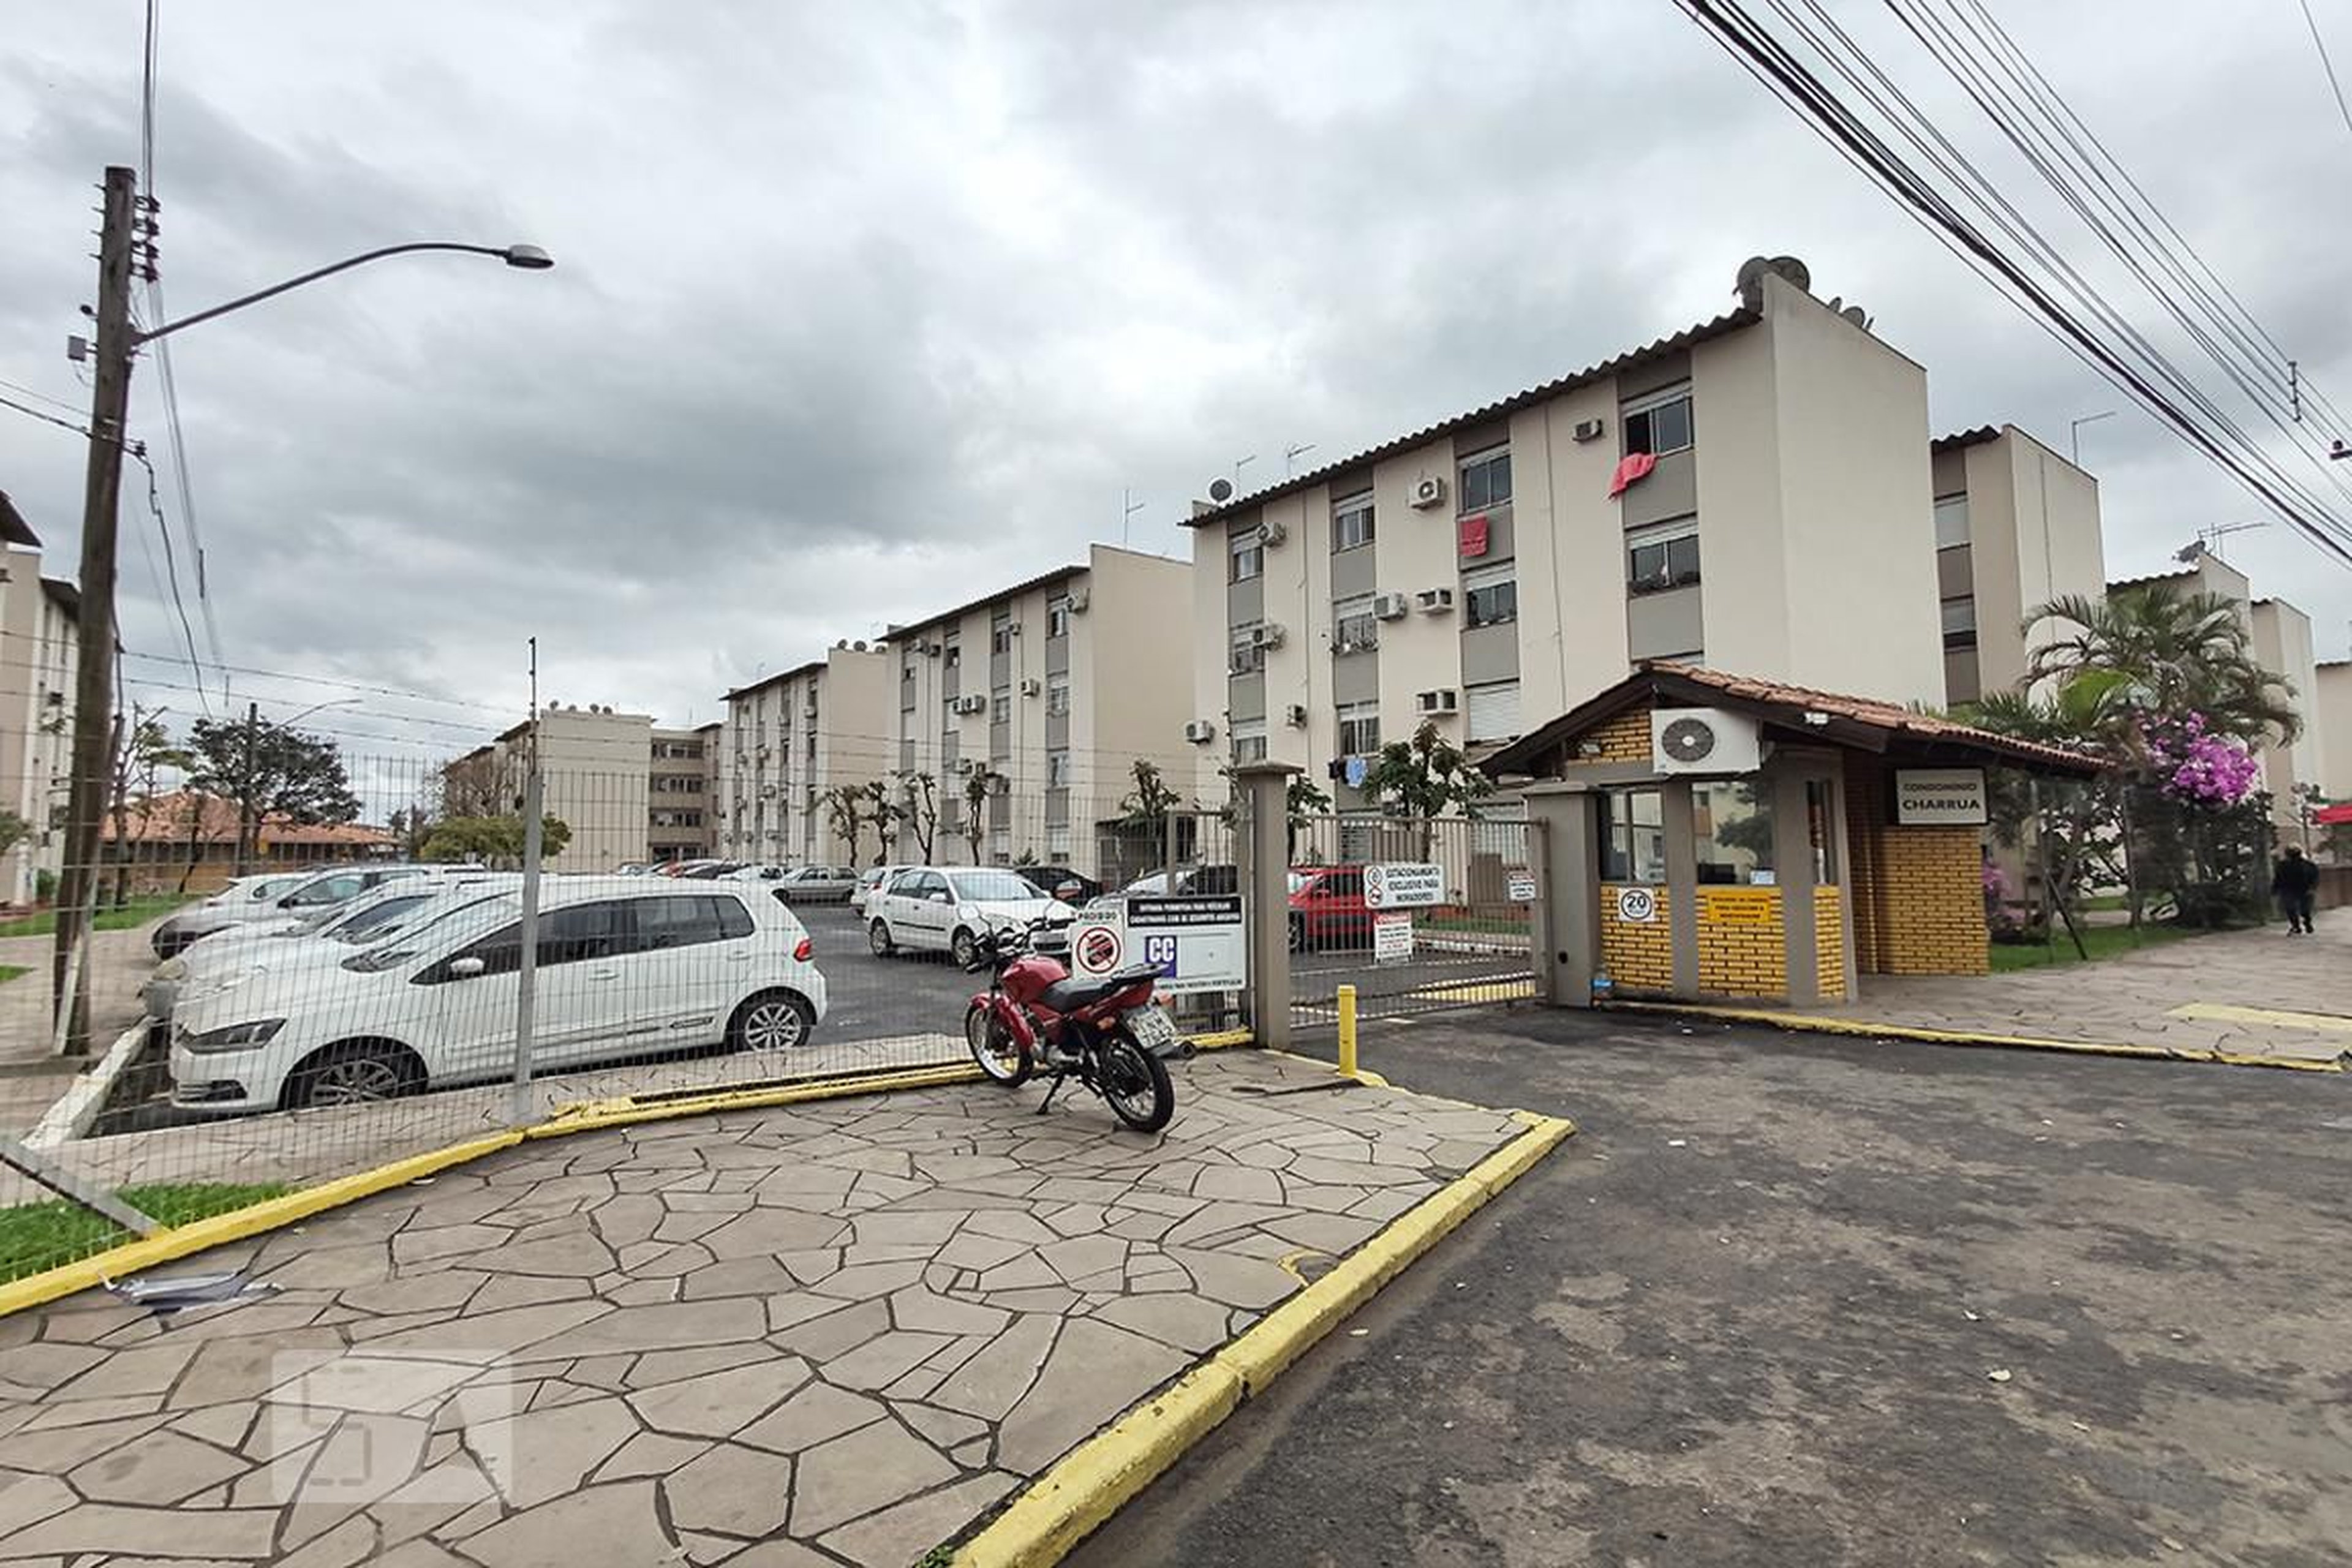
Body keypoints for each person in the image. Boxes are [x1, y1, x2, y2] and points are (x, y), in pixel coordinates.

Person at [2272, 845, 2319, 935]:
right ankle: (2296, 926)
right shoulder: (2283, 865)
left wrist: (2312, 888)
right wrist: (2275, 888)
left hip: (2304, 889)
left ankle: (2306, 922)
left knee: (2305, 910)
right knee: (2291, 908)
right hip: (2289, 890)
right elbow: (2278, 878)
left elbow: (2315, 878)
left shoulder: (2309, 865)